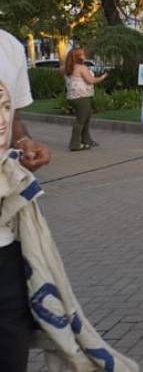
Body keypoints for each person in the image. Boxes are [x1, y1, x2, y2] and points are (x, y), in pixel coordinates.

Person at [0, 28, 52, 372]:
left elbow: (14, 115)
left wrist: (24, 143)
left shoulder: (8, 45)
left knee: (10, 349)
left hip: (5, 238)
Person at [63, 47, 107, 151]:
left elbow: (64, 72)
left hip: (72, 97)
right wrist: (103, 77)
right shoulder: (81, 68)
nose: (84, 56)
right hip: (81, 97)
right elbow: (91, 80)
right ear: (78, 57)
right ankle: (75, 144)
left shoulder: (66, 68)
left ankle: (87, 140)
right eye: (82, 54)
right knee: (81, 121)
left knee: (85, 119)